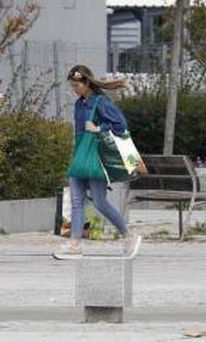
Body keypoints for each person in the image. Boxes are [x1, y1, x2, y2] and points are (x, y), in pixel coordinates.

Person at [53, 64, 142, 260]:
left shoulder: (100, 102)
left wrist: (98, 128)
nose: (74, 89)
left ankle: (129, 235)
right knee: (76, 202)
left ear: (87, 84)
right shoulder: (79, 104)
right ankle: (75, 244)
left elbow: (120, 125)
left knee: (100, 202)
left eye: (76, 85)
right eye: (72, 85)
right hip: (80, 158)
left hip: (95, 159)